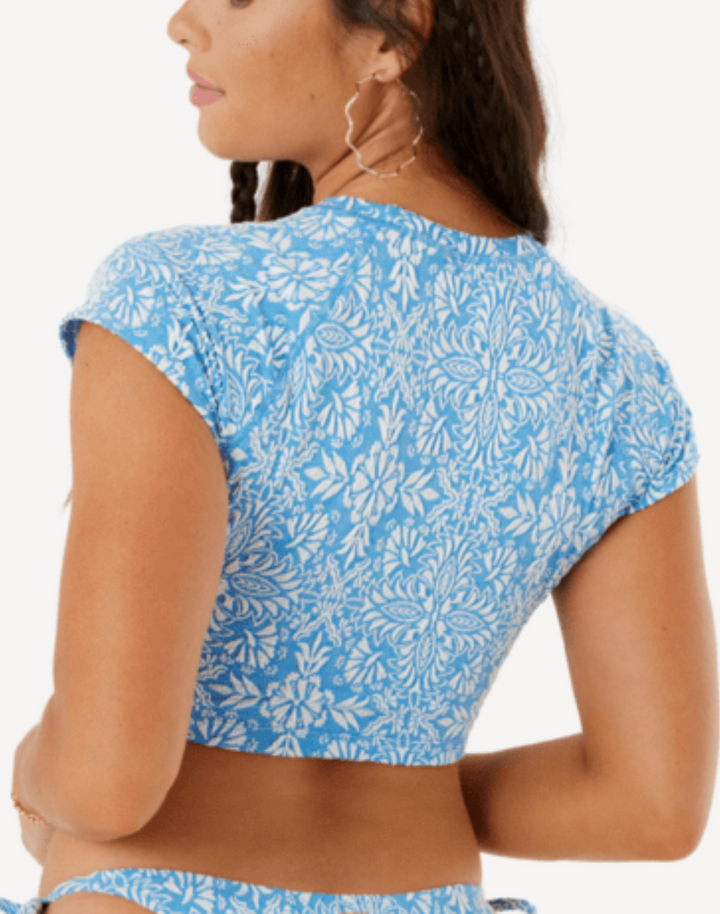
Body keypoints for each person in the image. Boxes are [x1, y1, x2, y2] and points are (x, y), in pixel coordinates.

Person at [2, 1, 717, 913]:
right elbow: (651, 807)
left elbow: (105, 782)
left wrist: (33, 772)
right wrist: (407, 786)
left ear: (393, 33)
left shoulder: (181, 303)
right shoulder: (616, 373)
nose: (182, 21)